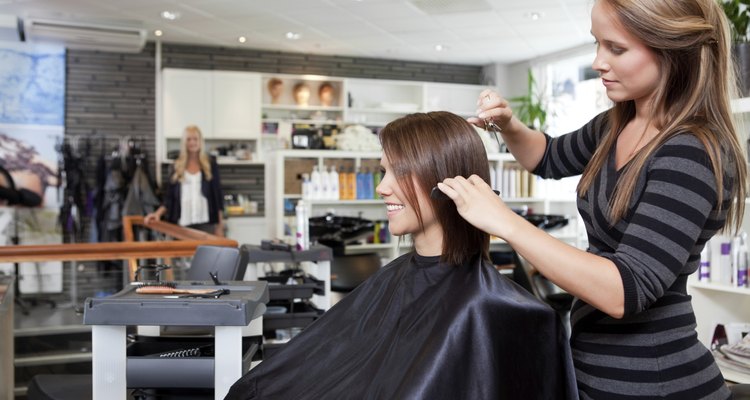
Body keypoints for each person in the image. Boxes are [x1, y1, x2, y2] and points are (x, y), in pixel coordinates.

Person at [438, 0, 745, 398]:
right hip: (593, 372)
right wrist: (510, 124)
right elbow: (546, 157)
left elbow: (624, 290)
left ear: (673, 49)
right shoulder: (616, 124)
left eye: (616, 48)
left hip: (655, 383)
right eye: (597, 44)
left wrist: (506, 222)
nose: (598, 62)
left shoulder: (692, 153)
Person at [225, 112, 577, 399]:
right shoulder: (393, 280)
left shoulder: (487, 309)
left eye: (401, 171)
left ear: (446, 182)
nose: (382, 186)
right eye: (384, 170)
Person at [144, 125, 224, 236]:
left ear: (200, 141)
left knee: (206, 253)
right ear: (184, 142)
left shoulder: (210, 165)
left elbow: (217, 197)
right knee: (183, 254)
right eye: (189, 139)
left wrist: (220, 226)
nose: (192, 142)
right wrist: (157, 214)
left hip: (206, 224)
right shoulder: (176, 166)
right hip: (182, 224)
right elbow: (169, 198)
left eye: (195, 139)